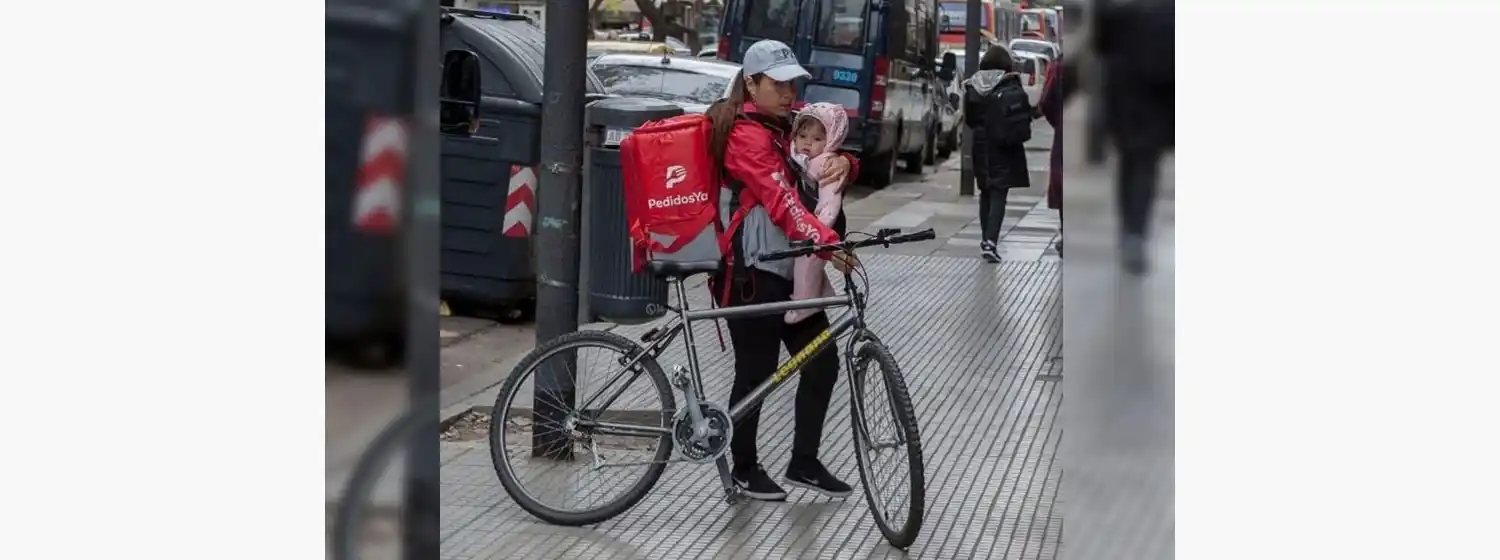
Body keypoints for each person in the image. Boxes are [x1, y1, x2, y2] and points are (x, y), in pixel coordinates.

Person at [703, 39, 861, 501]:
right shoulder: (744, 135)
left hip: (790, 268)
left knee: (821, 362)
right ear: (751, 84)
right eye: (778, 84)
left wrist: (844, 164)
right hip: (751, 270)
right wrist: (829, 243)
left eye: (794, 83)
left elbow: (826, 142)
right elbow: (783, 201)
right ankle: (745, 468)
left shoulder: (783, 125)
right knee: (755, 372)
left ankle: (804, 463)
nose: (790, 92)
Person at [1095, 0, 1174, 274]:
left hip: (1124, 95)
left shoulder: (1117, 11)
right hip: (1155, 99)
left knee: (1130, 162)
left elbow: (1101, 46)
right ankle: (1134, 233)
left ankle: (1130, 229)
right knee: (1144, 165)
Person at [963, 46, 1035, 263]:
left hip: (980, 145)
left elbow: (969, 119)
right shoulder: (1009, 83)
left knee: (986, 192)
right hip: (1002, 146)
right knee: (998, 195)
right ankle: (990, 241)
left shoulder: (973, 85)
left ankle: (986, 239)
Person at [785, 102, 850, 325]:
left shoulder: (827, 165)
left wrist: (817, 229)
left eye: (817, 139)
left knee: (807, 264)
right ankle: (820, 293)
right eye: (802, 136)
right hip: (803, 225)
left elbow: (830, 204)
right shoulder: (798, 155)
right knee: (808, 267)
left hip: (815, 230)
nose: (807, 143)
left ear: (832, 140)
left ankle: (804, 304)